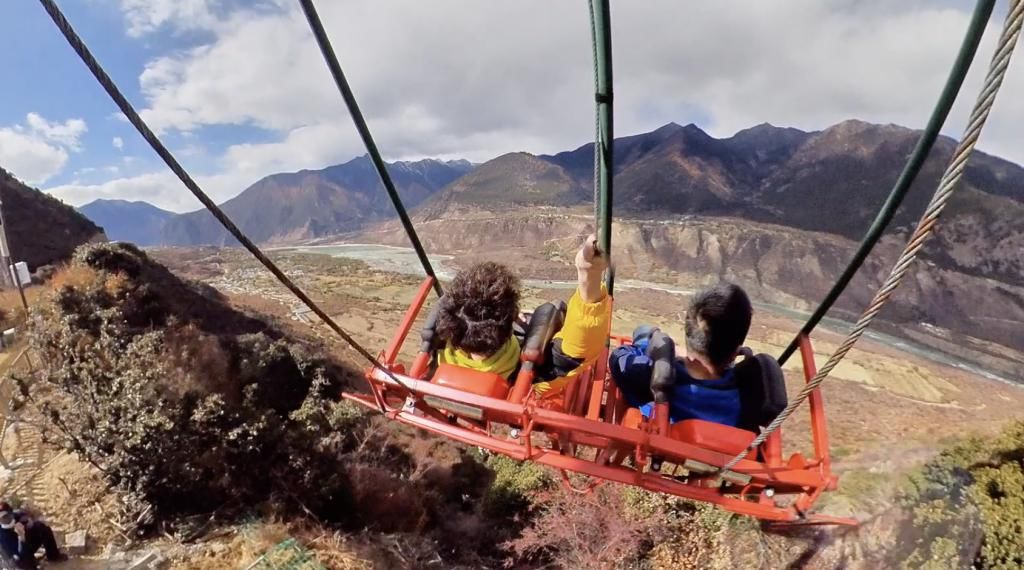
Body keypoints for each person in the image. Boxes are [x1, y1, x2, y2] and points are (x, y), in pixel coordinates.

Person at [434, 235, 610, 393]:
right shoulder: (535, 378)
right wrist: (589, 274)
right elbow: (578, 348)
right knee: (556, 310)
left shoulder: (436, 357)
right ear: (513, 318)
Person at [609, 282, 753, 427]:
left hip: (652, 441)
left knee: (644, 331)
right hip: (721, 446)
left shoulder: (653, 376)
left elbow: (618, 359)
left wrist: (656, 349)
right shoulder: (746, 398)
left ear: (688, 332)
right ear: (735, 352)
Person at [0, 502, 67, 569]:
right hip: (17, 558)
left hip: (26, 544)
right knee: (26, 561)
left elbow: (22, 514)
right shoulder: (2, 536)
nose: (4, 520)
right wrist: (21, 537)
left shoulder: (15, 516)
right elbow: (20, 555)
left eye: (6, 516)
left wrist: (29, 521)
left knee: (41, 527)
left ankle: (53, 556)